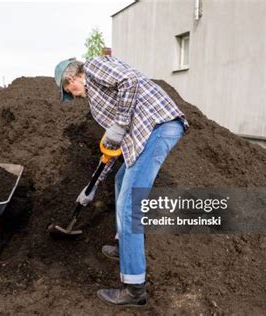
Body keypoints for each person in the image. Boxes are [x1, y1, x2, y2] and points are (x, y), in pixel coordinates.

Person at [54, 56, 188, 307]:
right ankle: (123, 245)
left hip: (159, 127)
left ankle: (134, 289)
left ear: (71, 79)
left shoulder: (94, 66)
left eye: (69, 92)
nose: (74, 97)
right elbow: (114, 149)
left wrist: (120, 122)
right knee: (120, 179)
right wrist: (92, 187)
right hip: (142, 137)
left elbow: (130, 80)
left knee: (129, 207)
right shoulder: (96, 102)